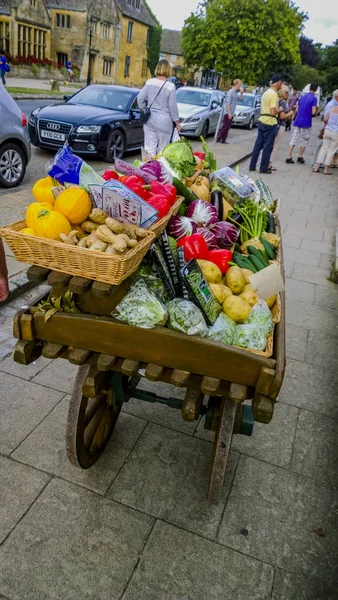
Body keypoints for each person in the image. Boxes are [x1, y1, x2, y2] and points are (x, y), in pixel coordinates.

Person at [137, 58, 181, 157]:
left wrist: (145, 109)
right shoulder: (170, 86)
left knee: (149, 150)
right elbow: (172, 107)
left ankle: (147, 170)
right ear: (168, 70)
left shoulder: (149, 82)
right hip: (164, 123)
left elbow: (140, 99)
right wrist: (177, 123)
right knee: (162, 152)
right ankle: (159, 171)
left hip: (149, 121)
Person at [249, 74, 282, 174]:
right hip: (270, 122)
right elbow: (272, 111)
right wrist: (279, 109)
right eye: (281, 83)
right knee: (268, 146)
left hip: (262, 120)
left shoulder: (266, 92)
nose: (281, 85)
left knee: (258, 145)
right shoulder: (273, 94)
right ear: (278, 83)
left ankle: (252, 165)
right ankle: (263, 168)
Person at [286, 83, 318, 164]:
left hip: (298, 120)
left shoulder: (302, 97)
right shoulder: (314, 98)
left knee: (294, 138)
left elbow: (297, 108)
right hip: (306, 122)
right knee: (304, 139)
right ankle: (300, 156)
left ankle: (289, 156)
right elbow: (313, 112)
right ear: (316, 89)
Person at [269, 85, 294, 170]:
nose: (288, 94)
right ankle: (270, 163)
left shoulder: (275, 100)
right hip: (280, 125)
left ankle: (266, 161)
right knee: (275, 145)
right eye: (287, 92)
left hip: (273, 123)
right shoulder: (282, 102)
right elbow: (282, 116)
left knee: (270, 144)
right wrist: (290, 114)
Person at [313, 105, 338, 174]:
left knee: (323, 148)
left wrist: (329, 123)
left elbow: (325, 119)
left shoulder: (333, 108)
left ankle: (316, 167)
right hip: (336, 132)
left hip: (327, 130)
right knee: (331, 151)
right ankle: (326, 169)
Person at [216, 78, 243, 144]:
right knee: (225, 126)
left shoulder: (236, 93)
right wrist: (229, 113)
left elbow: (241, 99)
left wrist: (242, 93)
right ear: (236, 84)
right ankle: (218, 139)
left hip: (232, 112)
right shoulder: (230, 92)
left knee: (228, 127)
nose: (240, 87)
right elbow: (228, 103)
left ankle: (223, 139)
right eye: (239, 85)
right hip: (228, 112)